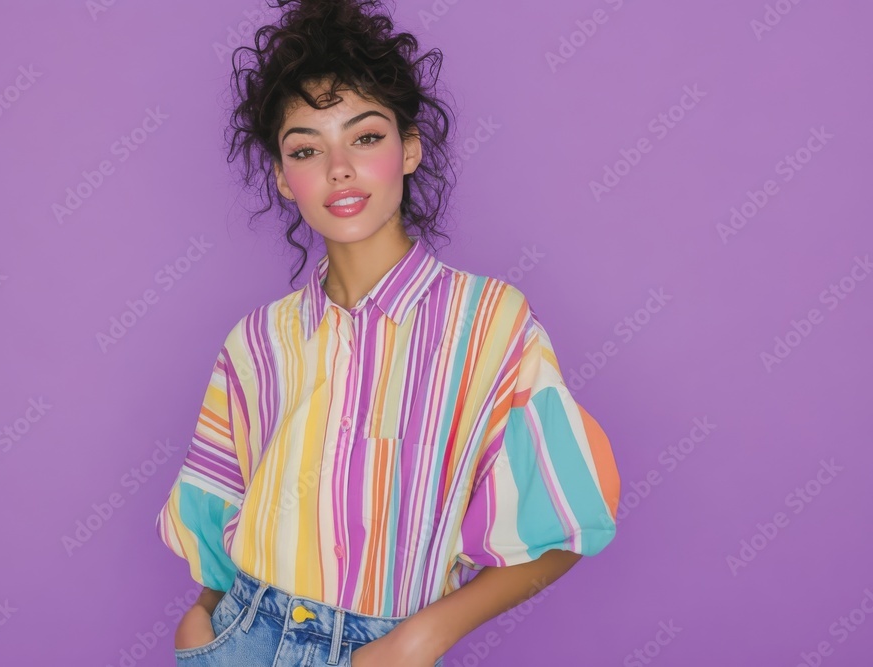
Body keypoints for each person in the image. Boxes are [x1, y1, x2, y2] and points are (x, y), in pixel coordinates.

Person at [154, 1, 622, 665]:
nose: (338, 168)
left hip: (383, 649)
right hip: (238, 639)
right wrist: (200, 624)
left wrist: (421, 638)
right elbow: (219, 516)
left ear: (409, 148)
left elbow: (566, 523)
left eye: (365, 137)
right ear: (286, 178)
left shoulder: (488, 321)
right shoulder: (256, 340)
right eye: (306, 149)